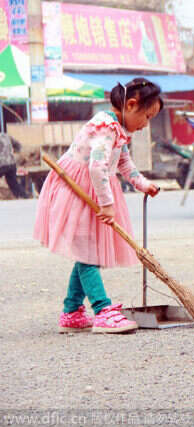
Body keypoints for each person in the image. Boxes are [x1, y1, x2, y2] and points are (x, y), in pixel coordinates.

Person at [33, 78, 162, 334]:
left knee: (86, 252)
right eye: (146, 117)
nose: (146, 124)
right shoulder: (105, 126)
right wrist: (107, 204)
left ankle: (71, 311)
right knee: (88, 253)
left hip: (95, 187)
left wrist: (142, 183)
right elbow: (96, 166)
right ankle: (102, 310)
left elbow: (123, 162)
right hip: (77, 190)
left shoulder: (118, 129)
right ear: (131, 105)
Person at [0, 132, 28, 199]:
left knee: (12, 182)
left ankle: (22, 196)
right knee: (13, 183)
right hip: (12, 164)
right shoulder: (6, 136)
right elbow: (18, 146)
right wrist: (13, 152)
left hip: (2, 164)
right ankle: (24, 196)